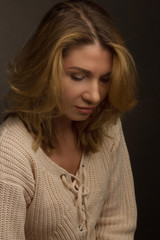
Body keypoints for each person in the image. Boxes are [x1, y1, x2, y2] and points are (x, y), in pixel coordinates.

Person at [0, 0, 137, 239]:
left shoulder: (108, 126)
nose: (94, 95)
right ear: (45, 70)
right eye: (78, 76)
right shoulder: (10, 154)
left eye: (104, 79)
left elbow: (118, 226)